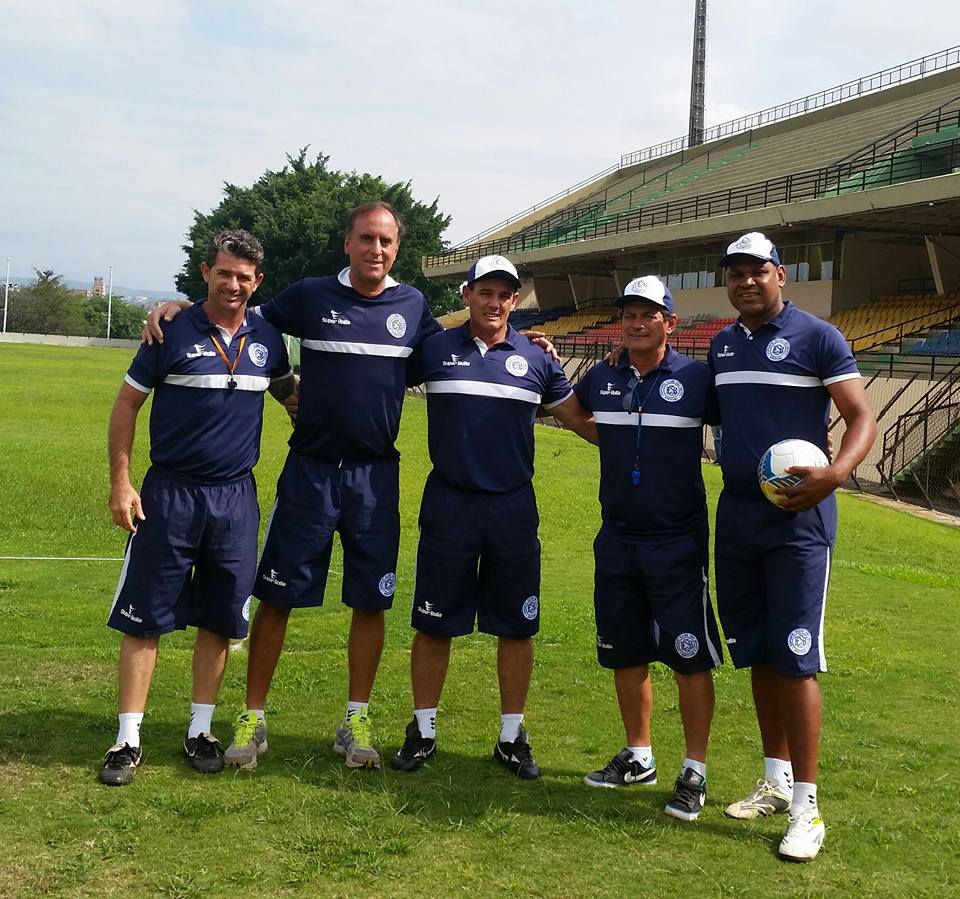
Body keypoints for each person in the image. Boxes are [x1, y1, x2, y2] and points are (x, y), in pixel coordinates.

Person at [144, 204, 558, 771]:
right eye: (366, 238)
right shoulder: (310, 295)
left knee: (370, 600)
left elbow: (467, 347)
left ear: (397, 249)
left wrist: (532, 345)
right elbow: (238, 314)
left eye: (386, 241)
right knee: (277, 596)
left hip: (374, 477)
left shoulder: (412, 307)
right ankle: (253, 716)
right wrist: (179, 308)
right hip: (310, 471)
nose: (376, 249)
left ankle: (356, 719)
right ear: (348, 243)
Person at [100, 230, 294, 786]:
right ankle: (127, 739)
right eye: (224, 273)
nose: (233, 284)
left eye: (244, 277)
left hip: (236, 498)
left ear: (257, 282)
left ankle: (200, 731)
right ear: (207, 272)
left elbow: (291, 396)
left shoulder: (267, 338)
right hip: (170, 494)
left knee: (219, 616)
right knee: (145, 616)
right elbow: (127, 405)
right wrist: (121, 483)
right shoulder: (170, 329)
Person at [391, 255, 596, 778]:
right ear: (466, 295)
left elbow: (583, 422)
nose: (495, 302)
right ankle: (423, 730)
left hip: (511, 508)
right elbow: (377, 377)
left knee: (516, 626)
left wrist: (652, 439)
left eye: (505, 294)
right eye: (485, 291)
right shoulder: (435, 348)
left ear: (514, 300)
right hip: (450, 504)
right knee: (434, 623)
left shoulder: (536, 357)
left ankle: (511, 736)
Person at [709, 232, 876, 861]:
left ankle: (808, 808)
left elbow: (862, 416)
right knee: (758, 651)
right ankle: (776, 781)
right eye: (736, 273)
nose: (747, 282)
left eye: (758, 271)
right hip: (737, 517)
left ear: (781, 274)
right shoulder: (722, 344)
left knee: (797, 658)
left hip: (799, 523)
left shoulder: (819, 337)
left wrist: (837, 473)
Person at [572, 276, 722, 820]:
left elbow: (748, 415)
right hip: (617, 538)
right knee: (626, 651)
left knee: (689, 657)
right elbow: (565, 406)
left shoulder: (697, 378)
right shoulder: (603, 375)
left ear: (670, 323)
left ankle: (694, 770)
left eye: (649, 314)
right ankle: (639, 756)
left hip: (676, 542)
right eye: (629, 314)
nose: (637, 323)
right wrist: (539, 352)